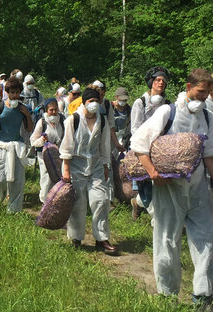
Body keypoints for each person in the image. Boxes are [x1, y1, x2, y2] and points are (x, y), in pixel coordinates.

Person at [130, 69, 213, 307]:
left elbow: (209, 155)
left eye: (207, 93)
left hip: (198, 191)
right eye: (200, 92)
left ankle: (202, 295)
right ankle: (168, 295)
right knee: (167, 240)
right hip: (169, 190)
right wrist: (153, 173)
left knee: (206, 239)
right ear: (189, 87)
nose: (203, 97)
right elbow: (139, 143)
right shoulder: (169, 112)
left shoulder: (207, 117)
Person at [60, 87, 116, 253]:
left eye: (96, 101)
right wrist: (66, 171)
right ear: (84, 102)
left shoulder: (102, 121)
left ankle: (102, 238)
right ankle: (76, 237)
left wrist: (106, 165)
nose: (94, 104)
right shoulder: (73, 120)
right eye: (90, 101)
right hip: (75, 165)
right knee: (79, 203)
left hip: (96, 166)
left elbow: (104, 146)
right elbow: (67, 147)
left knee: (101, 200)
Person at [130, 66, 172, 222]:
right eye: (157, 80)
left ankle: (138, 203)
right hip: (143, 149)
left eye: (163, 81)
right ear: (151, 82)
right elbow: (135, 129)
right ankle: (158, 222)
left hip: (161, 150)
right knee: (147, 183)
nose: (161, 83)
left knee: (159, 183)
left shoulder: (167, 104)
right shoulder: (140, 103)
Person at [0, 77, 33, 213]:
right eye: (12, 92)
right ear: (7, 93)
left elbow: (29, 128)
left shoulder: (22, 109)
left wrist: (27, 115)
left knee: (17, 181)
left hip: (16, 147)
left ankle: (14, 211)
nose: (15, 95)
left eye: (17, 92)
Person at [30, 99, 64, 203]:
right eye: (51, 110)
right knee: (46, 179)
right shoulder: (42, 122)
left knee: (58, 177)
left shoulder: (62, 120)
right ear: (46, 111)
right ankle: (45, 201)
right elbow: (33, 141)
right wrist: (42, 140)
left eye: (55, 109)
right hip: (45, 155)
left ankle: (56, 201)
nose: (54, 112)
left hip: (59, 154)